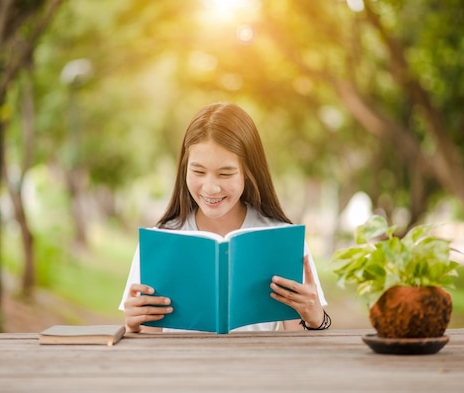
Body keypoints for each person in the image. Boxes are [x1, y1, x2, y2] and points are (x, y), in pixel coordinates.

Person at [119, 102, 330, 333]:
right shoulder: (159, 241)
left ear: (249, 173)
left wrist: (315, 319)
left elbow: (300, 349)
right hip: (180, 369)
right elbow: (148, 350)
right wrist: (133, 326)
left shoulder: (282, 240)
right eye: (198, 171)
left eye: (225, 173)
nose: (210, 188)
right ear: (184, 169)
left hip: (259, 368)